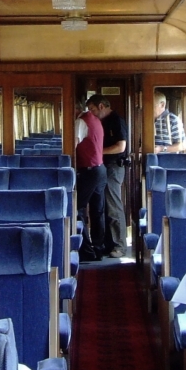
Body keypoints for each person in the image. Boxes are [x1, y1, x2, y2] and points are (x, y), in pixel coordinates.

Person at [87, 94, 128, 258]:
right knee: (102, 206)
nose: (91, 113)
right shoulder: (99, 122)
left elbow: (120, 147)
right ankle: (107, 244)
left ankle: (120, 245)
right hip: (102, 166)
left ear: (101, 106)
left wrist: (97, 152)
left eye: (92, 109)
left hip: (113, 167)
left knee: (113, 206)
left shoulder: (117, 120)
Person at [75, 99, 106, 261]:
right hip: (100, 169)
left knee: (77, 208)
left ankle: (86, 250)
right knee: (97, 211)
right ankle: (98, 249)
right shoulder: (95, 120)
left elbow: (71, 146)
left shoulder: (81, 122)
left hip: (89, 171)